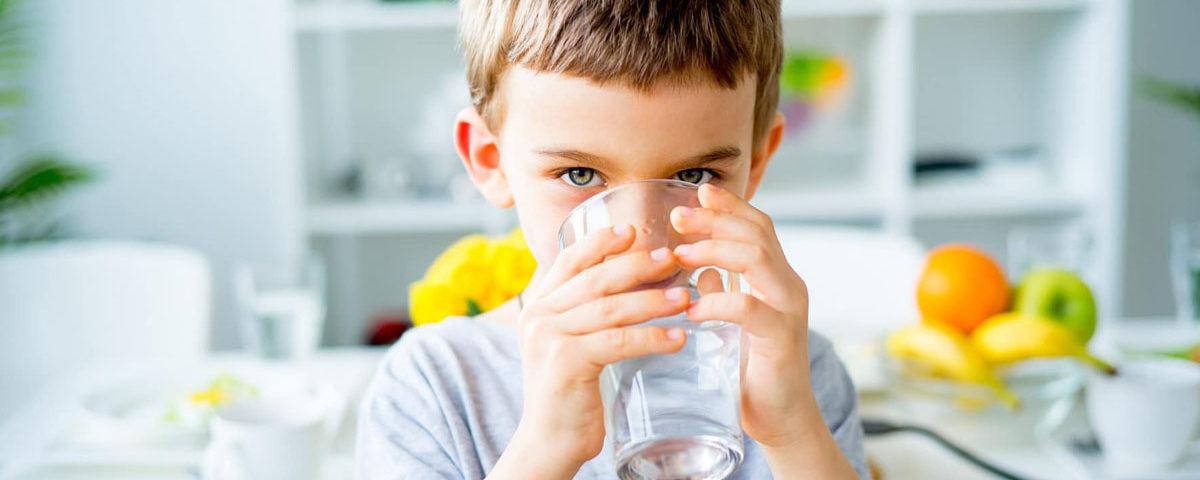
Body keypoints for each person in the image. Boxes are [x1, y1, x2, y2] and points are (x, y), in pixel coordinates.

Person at [357, 0, 867, 478]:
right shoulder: (433, 388)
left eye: (693, 176)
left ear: (755, 162)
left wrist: (794, 433)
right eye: (580, 175)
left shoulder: (798, 375)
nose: (644, 244)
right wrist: (542, 448)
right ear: (491, 162)